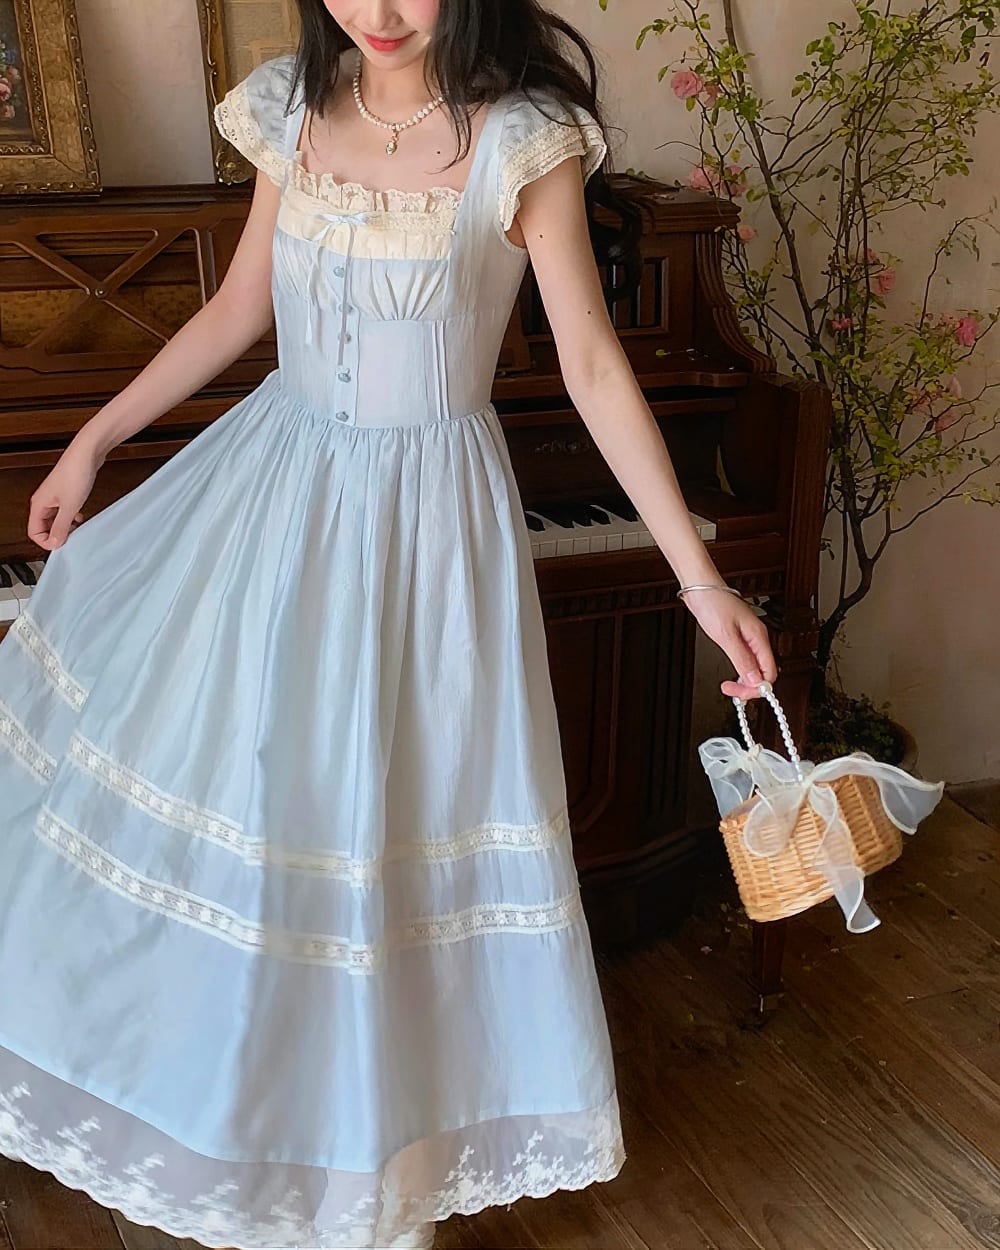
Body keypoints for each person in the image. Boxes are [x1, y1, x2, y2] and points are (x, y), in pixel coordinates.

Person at [0, 2, 777, 1247]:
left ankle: (383, 1180)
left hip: (429, 532)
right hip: (277, 492)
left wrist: (700, 580)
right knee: (269, 808)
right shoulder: (289, 106)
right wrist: (94, 440)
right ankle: (239, 1120)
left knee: (395, 824)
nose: (377, 10)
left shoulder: (524, 140)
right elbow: (237, 308)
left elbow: (590, 362)